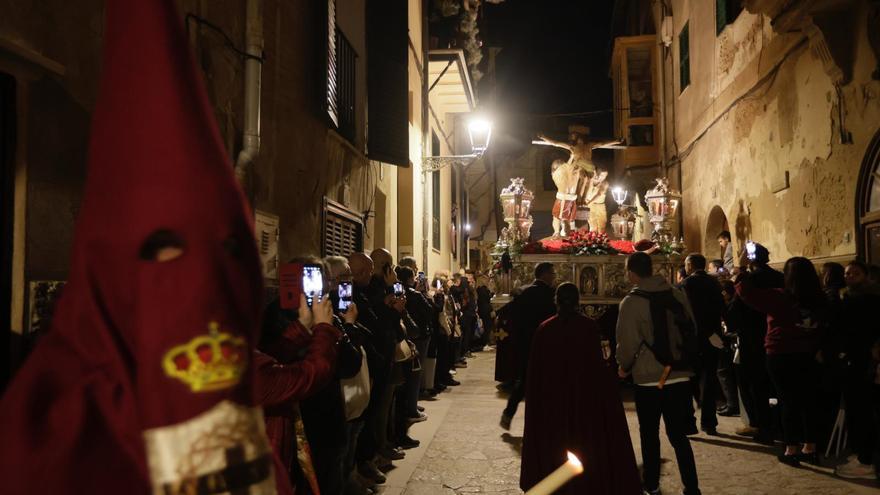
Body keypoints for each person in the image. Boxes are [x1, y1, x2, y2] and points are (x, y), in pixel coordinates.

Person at [0, 1, 285, 493]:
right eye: (164, 244)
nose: (203, 279)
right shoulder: (44, 443)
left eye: (230, 249)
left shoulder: (248, 427)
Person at [521, 283, 642, 494]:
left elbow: (535, 373)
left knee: (555, 443)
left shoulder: (544, 329)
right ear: (578, 301)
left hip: (553, 400)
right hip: (585, 398)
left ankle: (555, 480)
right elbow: (598, 365)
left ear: (556, 301)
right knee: (584, 442)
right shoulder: (588, 327)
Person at [616, 252, 701, 495]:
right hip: (679, 373)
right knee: (679, 435)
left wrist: (623, 367)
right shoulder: (676, 293)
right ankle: (692, 487)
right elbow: (691, 326)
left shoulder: (631, 302)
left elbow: (628, 343)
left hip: (649, 378)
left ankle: (652, 485)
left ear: (632, 272)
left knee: (649, 435)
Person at [736, 257, 826, 467]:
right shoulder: (821, 300)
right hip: (809, 354)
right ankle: (810, 448)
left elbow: (747, 294)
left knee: (788, 402)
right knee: (808, 401)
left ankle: (791, 449)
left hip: (781, 353)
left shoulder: (780, 297)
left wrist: (742, 270)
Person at [835, 260, 880, 479]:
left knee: (862, 411)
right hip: (852, 359)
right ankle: (863, 454)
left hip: (862, 361)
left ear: (865, 275)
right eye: (847, 273)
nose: (850, 276)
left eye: (855, 273)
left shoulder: (870, 300)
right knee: (855, 409)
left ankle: (866, 461)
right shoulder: (847, 297)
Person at [500, 262, 557, 429]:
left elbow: (508, 313)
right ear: (545, 274)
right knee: (545, 382)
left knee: (524, 379)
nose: (554, 276)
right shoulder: (550, 294)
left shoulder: (523, 291)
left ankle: (508, 413)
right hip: (544, 343)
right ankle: (541, 420)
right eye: (552, 273)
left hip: (525, 342)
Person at [681, 253, 726, 435]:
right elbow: (722, 308)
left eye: (686, 264)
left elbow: (681, 312)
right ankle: (709, 422)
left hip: (691, 338)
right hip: (712, 336)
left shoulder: (685, 284)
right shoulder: (714, 283)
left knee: (688, 379)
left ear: (690, 265)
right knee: (709, 379)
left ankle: (689, 423)